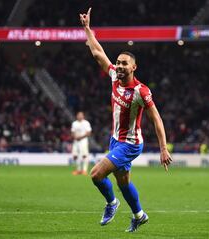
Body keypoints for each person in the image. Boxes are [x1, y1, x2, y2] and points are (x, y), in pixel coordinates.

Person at [80, 8, 172, 232]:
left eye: (124, 64)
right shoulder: (114, 76)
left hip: (130, 144)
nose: (119, 66)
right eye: (118, 62)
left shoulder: (141, 91)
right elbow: (98, 53)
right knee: (123, 182)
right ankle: (139, 215)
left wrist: (163, 148)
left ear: (133, 67)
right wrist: (87, 29)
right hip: (115, 140)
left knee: (96, 174)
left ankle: (112, 203)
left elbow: (156, 118)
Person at [71, 111, 92, 175]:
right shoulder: (74, 123)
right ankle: (78, 170)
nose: (79, 116)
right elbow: (72, 132)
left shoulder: (86, 123)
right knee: (75, 155)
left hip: (83, 140)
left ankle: (84, 170)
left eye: (81, 115)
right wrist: (75, 137)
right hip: (76, 141)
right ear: (77, 116)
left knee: (84, 155)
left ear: (83, 116)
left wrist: (80, 137)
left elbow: (88, 133)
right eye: (78, 115)